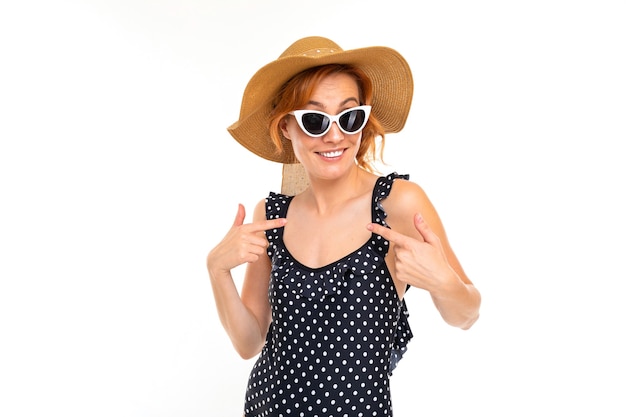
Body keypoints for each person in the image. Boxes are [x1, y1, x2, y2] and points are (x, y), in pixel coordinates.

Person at [207, 36, 481, 416]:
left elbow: (466, 314)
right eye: (315, 120)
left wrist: (442, 281)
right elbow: (249, 343)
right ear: (286, 126)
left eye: (349, 117)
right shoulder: (271, 214)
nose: (334, 135)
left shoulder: (397, 203)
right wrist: (218, 271)